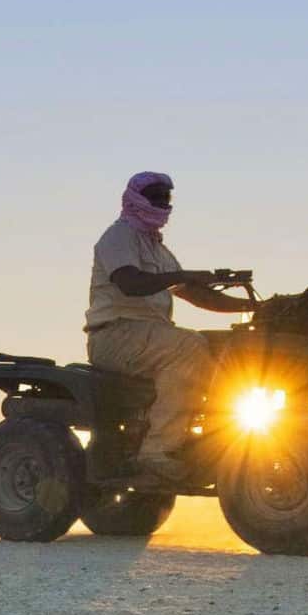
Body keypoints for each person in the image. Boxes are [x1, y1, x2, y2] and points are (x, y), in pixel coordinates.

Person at [84, 171, 253, 480]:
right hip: (115, 335)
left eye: (166, 197)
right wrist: (184, 275)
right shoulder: (118, 237)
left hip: (150, 337)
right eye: (155, 196)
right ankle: (157, 451)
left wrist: (256, 307)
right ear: (136, 198)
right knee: (188, 346)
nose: (162, 202)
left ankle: (215, 443)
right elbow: (130, 283)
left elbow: (197, 295)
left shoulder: (159, 250)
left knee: (228, 350)